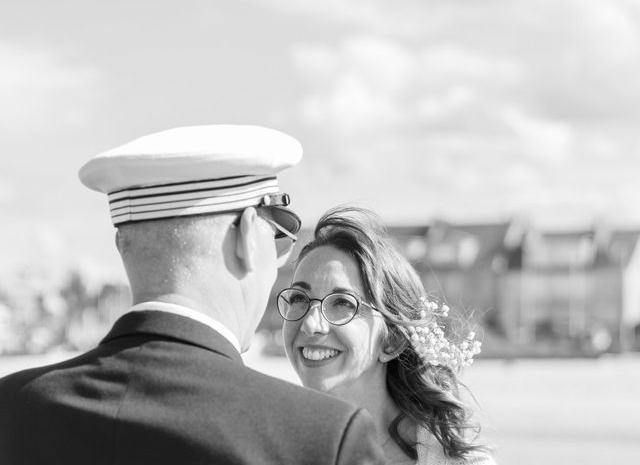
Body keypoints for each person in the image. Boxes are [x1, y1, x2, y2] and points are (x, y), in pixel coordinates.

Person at [0, 126, 385, 465]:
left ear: (122, 246)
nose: (279, 258)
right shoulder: (323, 438)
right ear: (250, 237)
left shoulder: (11, 408)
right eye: (277, 237)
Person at [279, 206, 497, 464]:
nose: (310, 324)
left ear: (393, 340)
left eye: (342, 303)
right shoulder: (269, 448)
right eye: (299, 298)